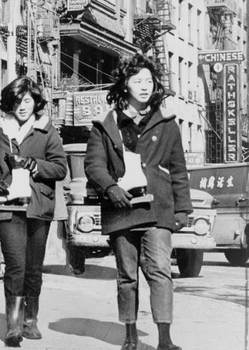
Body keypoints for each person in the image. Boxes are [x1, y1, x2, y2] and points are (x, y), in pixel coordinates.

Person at [84, 53, 193, 350]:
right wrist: (109, 187)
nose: (145, 86)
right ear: (125, 84)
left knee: (159, 270)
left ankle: (165, 340)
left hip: (157, 207)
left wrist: (183, 208)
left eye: (149, 81)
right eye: (137, 81)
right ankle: (130, 337)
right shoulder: (106, 125)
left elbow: (178, 169)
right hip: (121, 208)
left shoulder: (167, 123)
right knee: (126, 274)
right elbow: (93, 164)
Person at [0, 76, 67, 347]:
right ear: (9, 104)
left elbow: (60, 168)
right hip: (7, 208)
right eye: (17, 101)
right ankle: (13, 325)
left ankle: (31, 320)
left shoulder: (47, 131)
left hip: (38, 206)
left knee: (33, 268)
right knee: (15, 265)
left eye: (27, 100)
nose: (23, 106)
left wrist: (31, 164)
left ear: (36, 102)